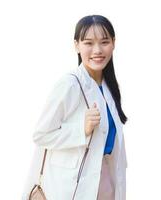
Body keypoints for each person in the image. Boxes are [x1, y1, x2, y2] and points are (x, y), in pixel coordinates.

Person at [22, 15, 128, 200]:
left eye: (104, 42)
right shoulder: (69, 85)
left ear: (114, 43)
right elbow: (41, 134)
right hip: (72, 186)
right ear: (76, 45)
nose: (97, 50)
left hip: (104, 182)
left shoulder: (110, 86)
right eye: (88, 43)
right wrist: (82, 129)